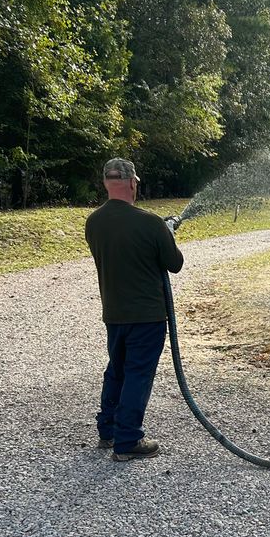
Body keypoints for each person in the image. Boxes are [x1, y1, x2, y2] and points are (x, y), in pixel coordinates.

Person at [85, 158, 183, 461]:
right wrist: (167, 233)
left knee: (117, 369)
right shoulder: (150, 223)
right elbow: (174, 264)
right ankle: (128, 440)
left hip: (113, 313)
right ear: (132, 183)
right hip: (147, 316)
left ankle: (109, 429)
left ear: (106, 183)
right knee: (138, 373)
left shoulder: (94, 222)